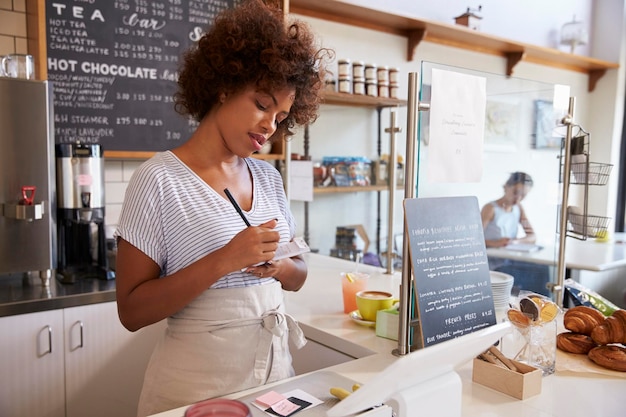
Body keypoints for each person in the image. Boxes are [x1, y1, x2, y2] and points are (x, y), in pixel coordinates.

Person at [114, 1, 331, 415]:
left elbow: (298, 274)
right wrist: (226, 259)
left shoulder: (268, 178)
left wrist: (279, 267)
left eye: (282, 116)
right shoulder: (159, 179)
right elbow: (132, 310)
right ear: (224, 86)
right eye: (262, 104)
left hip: (273, 379)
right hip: (194, 389)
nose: (271, 126)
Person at [481, 171, 550, 295]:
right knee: (540, 272)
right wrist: (496, 243)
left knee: (543, 267)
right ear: (506, 187)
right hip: (494, 263)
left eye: (523, 195)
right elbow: (474, 240)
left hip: (510, 259)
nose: (518, 198)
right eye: (515, 193)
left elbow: (532, 236)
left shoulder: (518, 208)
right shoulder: (490, 209)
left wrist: (515, 241)